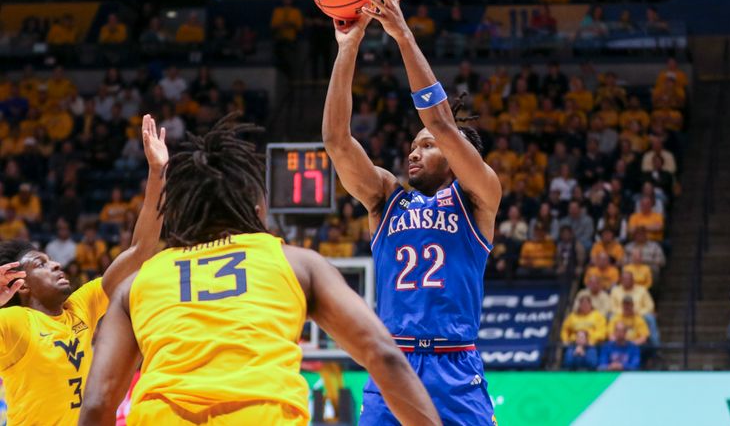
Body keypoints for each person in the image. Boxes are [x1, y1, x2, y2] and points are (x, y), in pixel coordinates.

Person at [79, 115, 440, 426]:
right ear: (255, 208)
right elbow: (384, 355)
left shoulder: (136, 284)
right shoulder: (296, 263)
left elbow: (97, 404)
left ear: (182, 212)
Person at [323, 0, 500, 425]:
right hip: (393, 363)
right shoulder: (387, 198)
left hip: (455, 365)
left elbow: (440, 122)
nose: (414, 151)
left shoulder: (478, 196)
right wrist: (348, 48)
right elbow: (337, 142)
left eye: (427, 146)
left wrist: (402, 35)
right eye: (413, 145)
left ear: (462, 155)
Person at [0, 115, 167, 425]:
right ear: (22, 286)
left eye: (52, 259)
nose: (57, 264)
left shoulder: (81, 305)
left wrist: (157, 175)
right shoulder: (14, 322)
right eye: (42, 264)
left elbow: (141, 251)